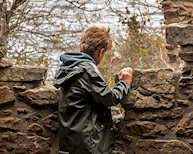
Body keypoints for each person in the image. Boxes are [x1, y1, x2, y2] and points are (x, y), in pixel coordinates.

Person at [53, 25, 133, 154]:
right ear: (101, 52)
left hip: (71, 140)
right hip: (86, 144)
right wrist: (124, 82)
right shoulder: (87, 71)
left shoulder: (70, 66)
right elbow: (109, 98)